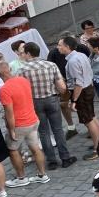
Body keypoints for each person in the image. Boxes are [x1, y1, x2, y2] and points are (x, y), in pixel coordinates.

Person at [19, 42, 77, 170]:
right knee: (58, 129)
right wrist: (63, 96)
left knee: (43, 132)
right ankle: (65, 158)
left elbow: (20, 89)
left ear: (28, 53)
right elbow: (62, 87)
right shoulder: (51, 65)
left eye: (24, 52)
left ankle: (52, 161)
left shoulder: (22, 70)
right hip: (51, 99)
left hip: (35, 102)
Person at [0, 61, 49, 187]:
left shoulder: (4, 90)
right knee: (35, 148)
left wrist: (11, 130)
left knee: (13, 150)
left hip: (19, 125)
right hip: (33, 120)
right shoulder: (23, 80)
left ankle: (21, 178)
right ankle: (42, 175)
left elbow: (9, 113)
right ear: (8, 68)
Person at [59, 36, 99, 160]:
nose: (58, 47)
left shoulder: (72, 61)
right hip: (88, 88)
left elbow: (78, 83)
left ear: (67, 47)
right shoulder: (82, 55)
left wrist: (74, 100)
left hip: (81, 91)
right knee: (92, 116)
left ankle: (97, 149)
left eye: (60, 45)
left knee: (88, 120)